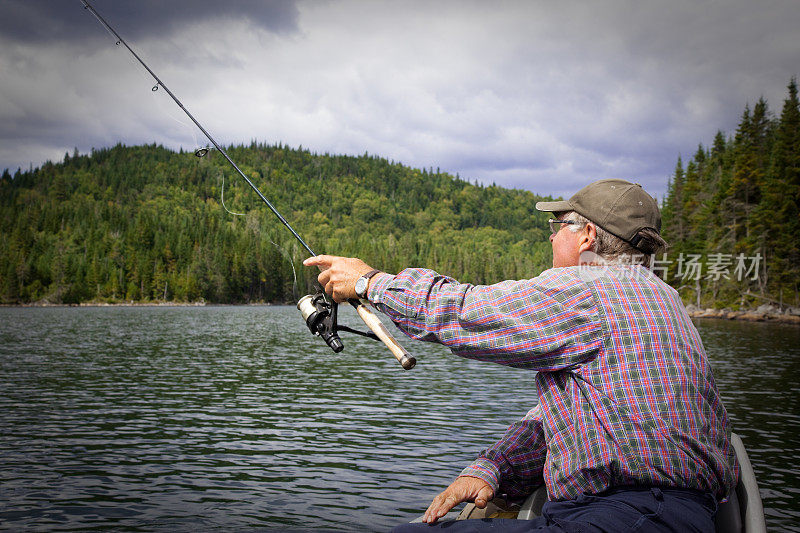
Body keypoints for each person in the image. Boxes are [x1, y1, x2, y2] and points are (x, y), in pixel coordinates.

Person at [303, 179, 738, 532]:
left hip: (628, 516)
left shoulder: (590, 290)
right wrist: (494, 468)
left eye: (557, 224)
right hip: (663, 513)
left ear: (586, 235)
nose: (551, 236)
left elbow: (462, 312)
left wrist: (369, 284)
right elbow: (570, 418)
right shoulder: (665, 299)